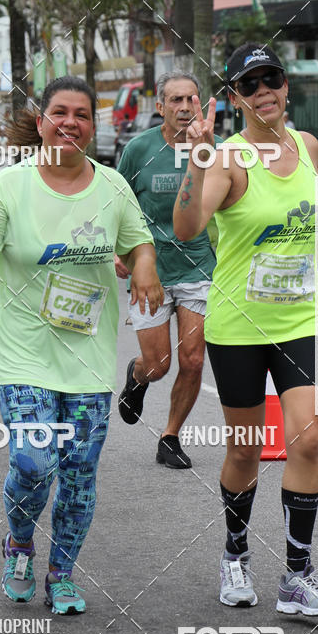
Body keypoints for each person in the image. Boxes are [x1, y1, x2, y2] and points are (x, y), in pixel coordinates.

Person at [173, 43, 318, 616]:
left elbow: (305, 213)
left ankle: (296, 575)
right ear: (236, 97)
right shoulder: (229, 159)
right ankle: (235, 554)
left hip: (300, 320)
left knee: (307, 439)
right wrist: (197, 160)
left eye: (274, 79)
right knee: (244, 450)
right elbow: (188, 227)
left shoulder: (308, 147)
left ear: (287, 88)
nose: (265, 90)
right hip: (238, 327)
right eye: (251, 83)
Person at [0, 76, 162, 615]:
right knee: (33, 462)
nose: (71, 122)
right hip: (23, 354)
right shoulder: (12, 184)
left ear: (94, 127)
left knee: (79, 474)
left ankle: (62, 574)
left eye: (83, 115)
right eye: (60, 112)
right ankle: (20, 542)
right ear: (42, 120)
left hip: (88, 359)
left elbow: (140, 242)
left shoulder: (113, 186)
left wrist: (143, 269)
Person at [116, 71, 219, 470]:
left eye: (191, 100)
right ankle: (137, 377)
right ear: (159, 107)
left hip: (198, 267)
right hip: (150, 271)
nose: (184, 107)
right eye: (175, 100)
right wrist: (116, 252)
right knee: (159, 365)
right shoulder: (139, 150)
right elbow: (113, 202)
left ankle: (170, 436)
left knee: (193, 360)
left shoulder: (213, 147)